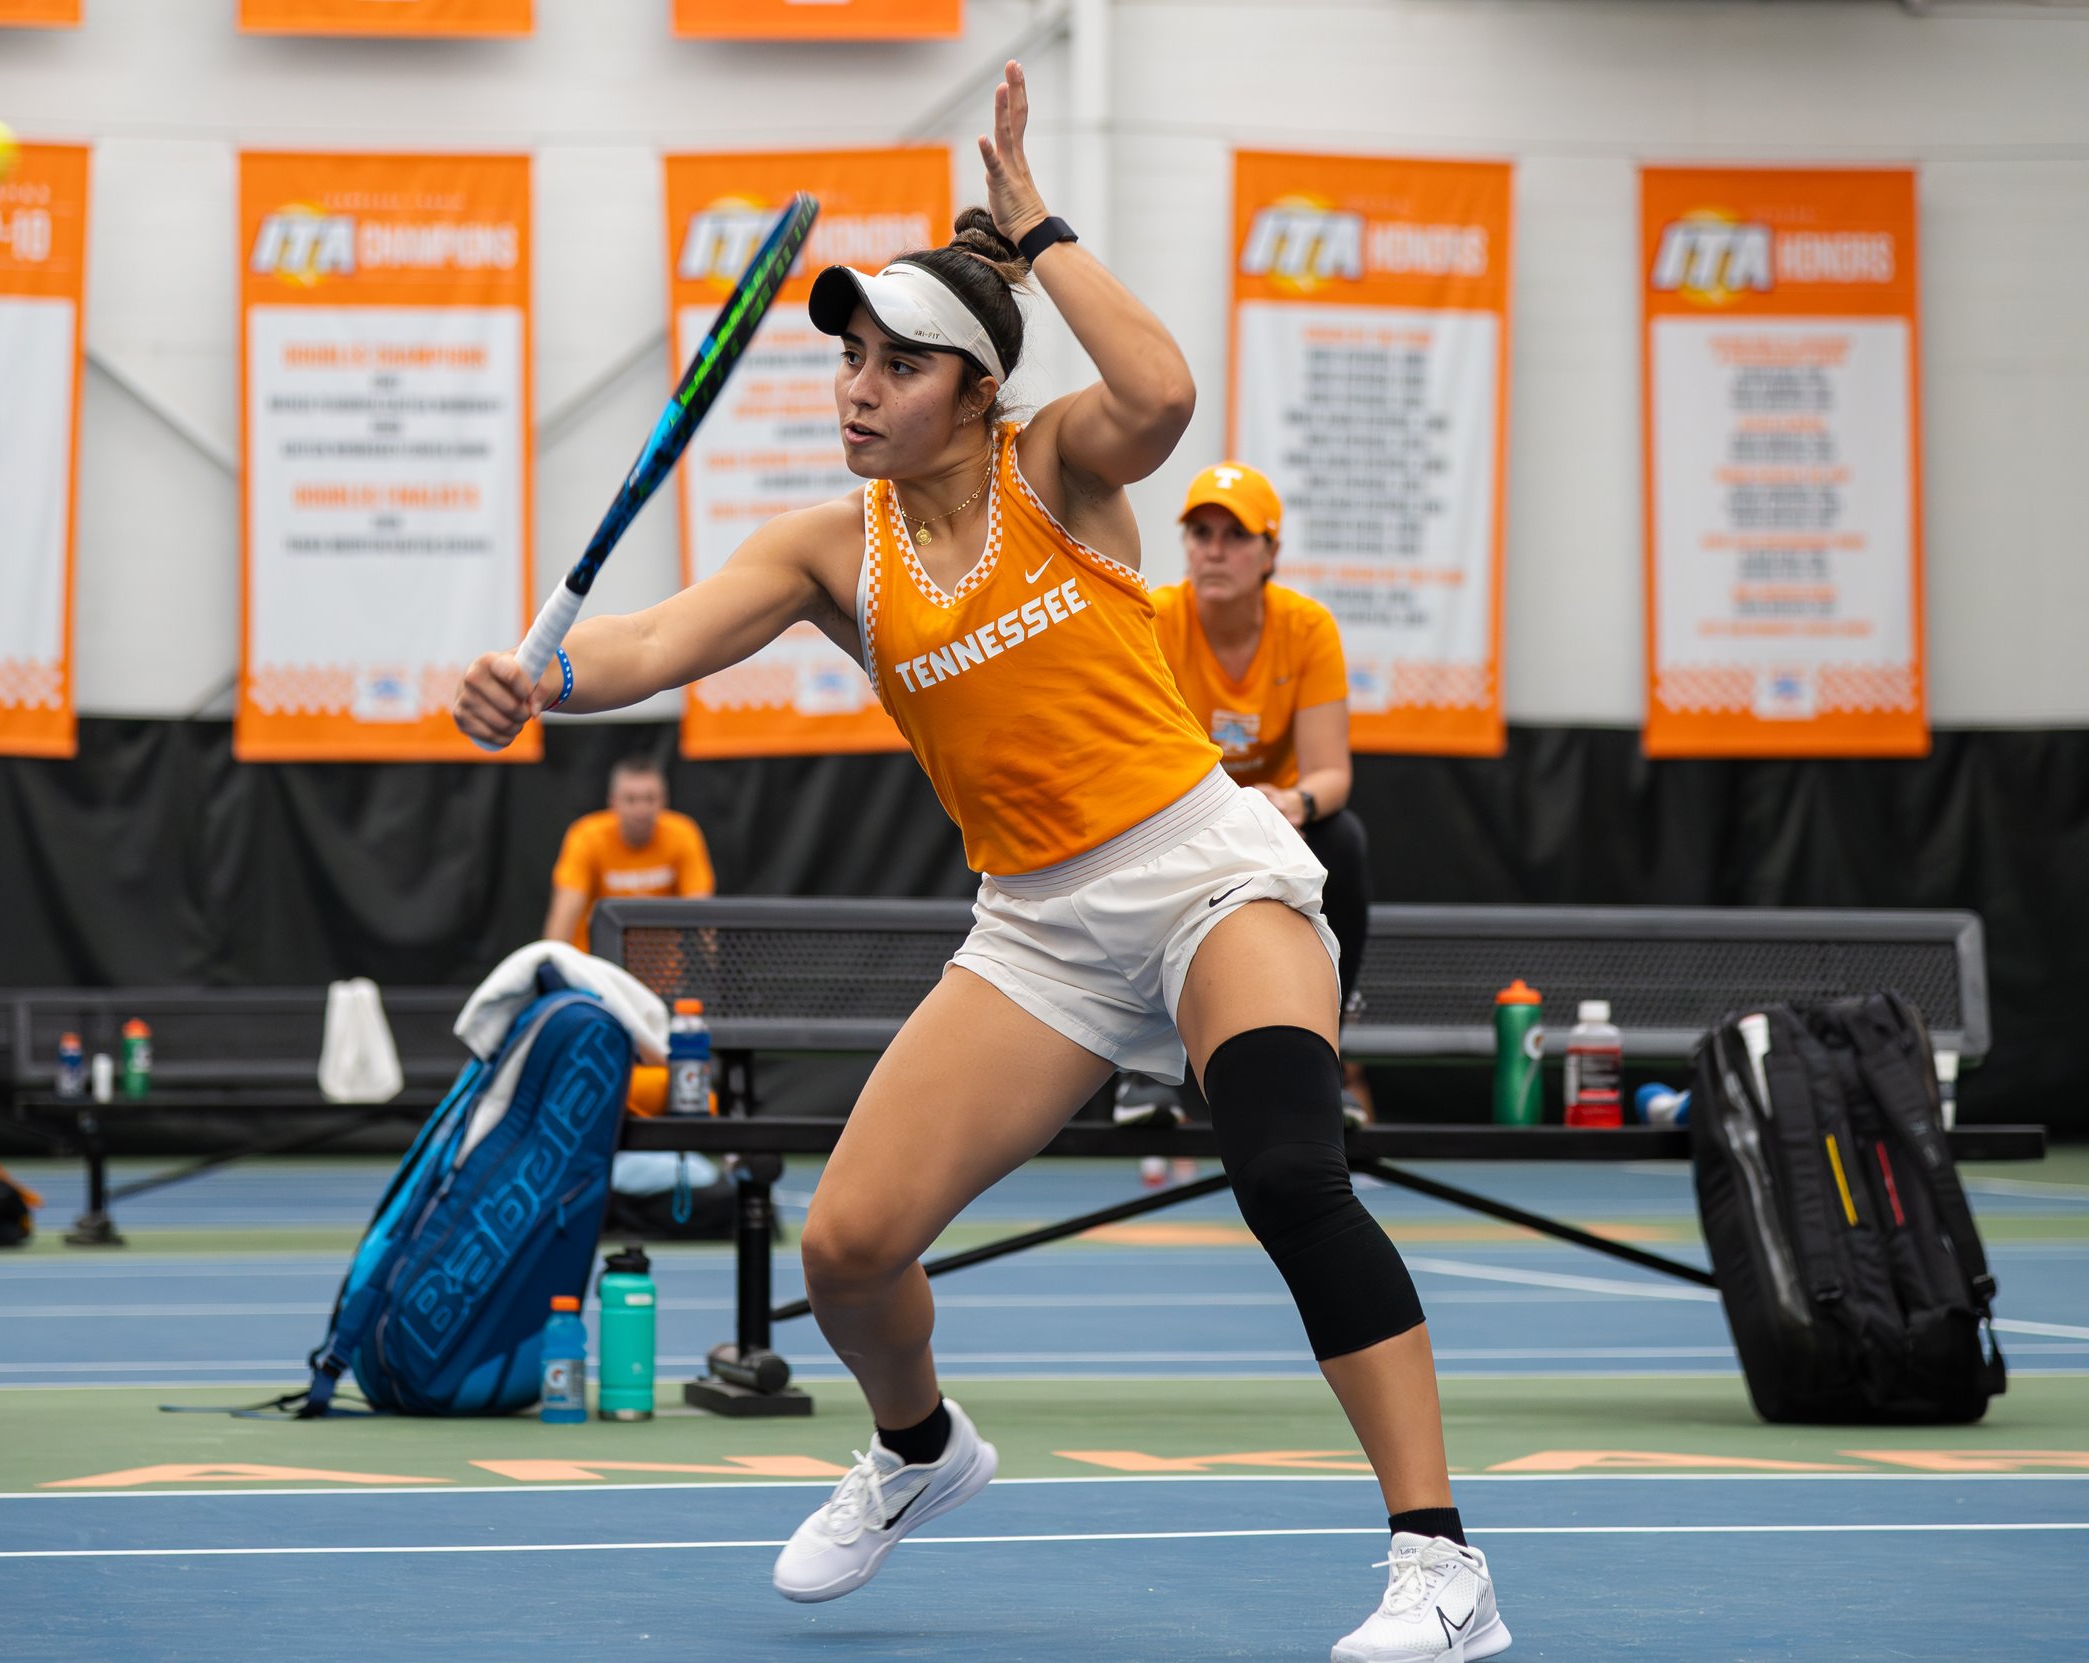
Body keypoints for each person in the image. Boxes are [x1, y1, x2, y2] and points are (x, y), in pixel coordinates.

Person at [456, 62, 1506, 1662]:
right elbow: (659, 636)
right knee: (847, 1245)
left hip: (1210, 875)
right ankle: (922, 1447)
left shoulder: (1056, 470)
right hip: (1039, 928)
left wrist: (1040, 225)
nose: (857, 389)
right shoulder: (832, 549)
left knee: (1290, 1167)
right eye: (849, 362)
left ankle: (1441, 1565)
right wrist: (539, 675)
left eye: (896, 363)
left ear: (978, 390)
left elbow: (1158, 392)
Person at [1151, 459, 1375, 1122]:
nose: (1213, 550)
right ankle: (1148, 1071)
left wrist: (1293, 804)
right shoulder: (1154, 619)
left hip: (1276, 824)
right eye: (1201, 533)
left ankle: (1324, 1054)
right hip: (1179, 819)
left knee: (1345, 838)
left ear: (1271, 551)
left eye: (1235, 535)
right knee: (1123, 849)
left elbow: (1330, 772)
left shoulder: (1306, 629)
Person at [543, 755, 714, 953]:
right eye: (631, 799)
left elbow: (701, 917)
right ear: (613, 802)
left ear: (664, 800)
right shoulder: (587, 837)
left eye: (650, 798)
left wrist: (709, 969)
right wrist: (551, 966)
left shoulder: (683, 834)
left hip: (666, 973)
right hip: (598, 967)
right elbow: (564, 916)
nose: (641, 809)